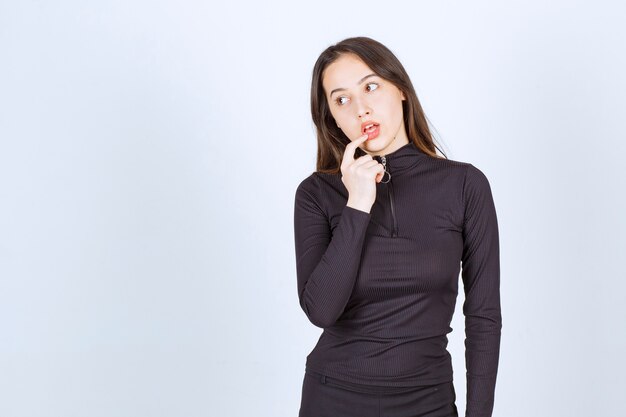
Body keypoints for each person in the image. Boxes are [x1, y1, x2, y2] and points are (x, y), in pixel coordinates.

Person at [293, 36, 502, 417]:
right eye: (341, 100)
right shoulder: (316, 193)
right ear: (331, 117)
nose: (361, 108)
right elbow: (321, 310)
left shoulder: (465, 186)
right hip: (333, 398)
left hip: (428, 401)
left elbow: (484, 315)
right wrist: (357, 204)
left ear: (401, 89)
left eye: (370, 87)